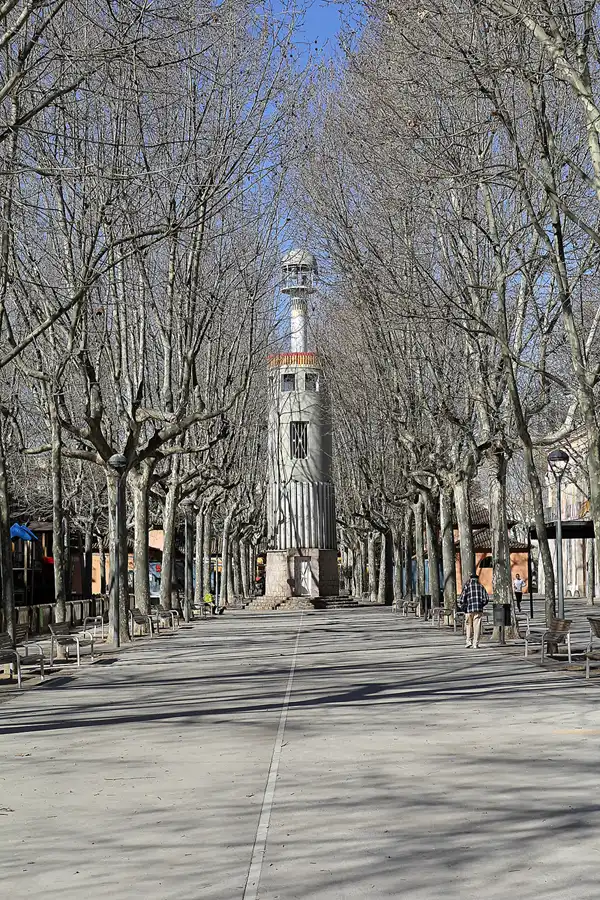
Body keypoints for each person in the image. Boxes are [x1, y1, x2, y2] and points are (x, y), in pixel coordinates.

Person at [458, 571, 489, 650]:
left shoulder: (467, 586)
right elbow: (486, 598)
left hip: (468, 609)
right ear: (477, 579)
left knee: (468, 626)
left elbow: (462, 598)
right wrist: (481, 604)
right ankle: (475, 643)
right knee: (477, 626)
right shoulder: (481, 586)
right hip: (478, 609)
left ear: (471, 579)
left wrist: (463, 604)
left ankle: (468, 641)